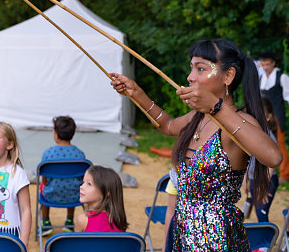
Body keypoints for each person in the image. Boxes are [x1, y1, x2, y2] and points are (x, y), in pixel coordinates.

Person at [111, 38, 282, 251]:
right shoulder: (199, 116)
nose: (190, 77)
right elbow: (168, 125)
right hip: (183, 235)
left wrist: (216, 107)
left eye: (200, 69)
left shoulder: (238, 122)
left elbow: (273, 157)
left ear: (228, 76)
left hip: (217, 241)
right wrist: (136, 93)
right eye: (191, 68)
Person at [39, 116, 86, 236]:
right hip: (74, 197)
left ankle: (45, 223)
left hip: (51, 196)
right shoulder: (80, 154)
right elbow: (82, 180)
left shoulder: (47, 154)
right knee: (75, 186)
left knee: (43, 187)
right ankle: (69, 221)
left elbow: (44, 180)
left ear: (56, 134)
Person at [246, 98, 280, 222]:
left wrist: (264, 185)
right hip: (254, 180)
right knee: (258, 212)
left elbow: (272, 165)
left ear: (268, 117)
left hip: (266, 181)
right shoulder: (252, 134)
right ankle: (265, 240)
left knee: (261, 214)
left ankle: (267, 241)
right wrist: (247, 180)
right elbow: (248, 159)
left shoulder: (268, 136)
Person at [258, 51, 289, 183]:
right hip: (264, 116)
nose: (265, 67)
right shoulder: (261, 78)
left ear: (273, 63)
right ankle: (265, 173)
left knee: (280, 144)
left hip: (277, 116)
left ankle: (284, 174)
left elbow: (288, 96)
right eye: (263, 64)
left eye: (267, 64)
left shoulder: (282, 77)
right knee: (263, 144)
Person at [75, 165, 127, 232]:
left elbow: (76, 242)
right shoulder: (119, 221)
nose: (81, 187)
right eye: (83, 182)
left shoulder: (83, 220)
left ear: (107, 191)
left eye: (89, 184)